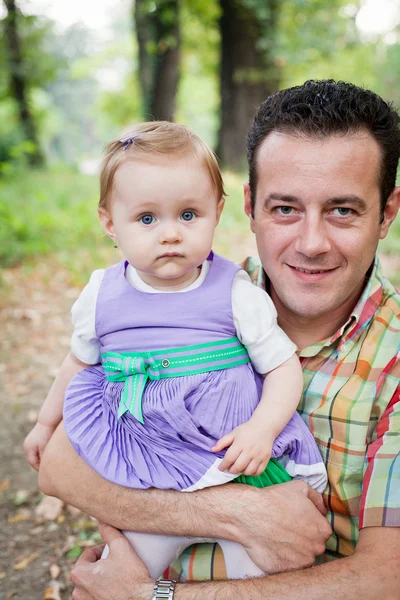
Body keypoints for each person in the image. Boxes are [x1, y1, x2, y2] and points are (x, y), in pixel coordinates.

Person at [40, 79, 400, 599]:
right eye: (285, 209)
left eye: (343, 210)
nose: (312, 242)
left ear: (387, 212)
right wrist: (236, 513)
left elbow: (387, 579)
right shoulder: (183, 296)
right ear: (249, 207)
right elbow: (57, 465)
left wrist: (148, 598)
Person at [24, 120, 326, 579]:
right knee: (128, 564)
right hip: (151, 460)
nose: (170, 234)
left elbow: (283, 367)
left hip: (229, 453)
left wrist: (261, 431)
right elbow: (77, 364)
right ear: (110, 222)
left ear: (217, 211)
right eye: (147, 219)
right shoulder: (102, 295)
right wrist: (46, 424)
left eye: (188, 215)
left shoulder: (234, 291)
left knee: (265, 565)